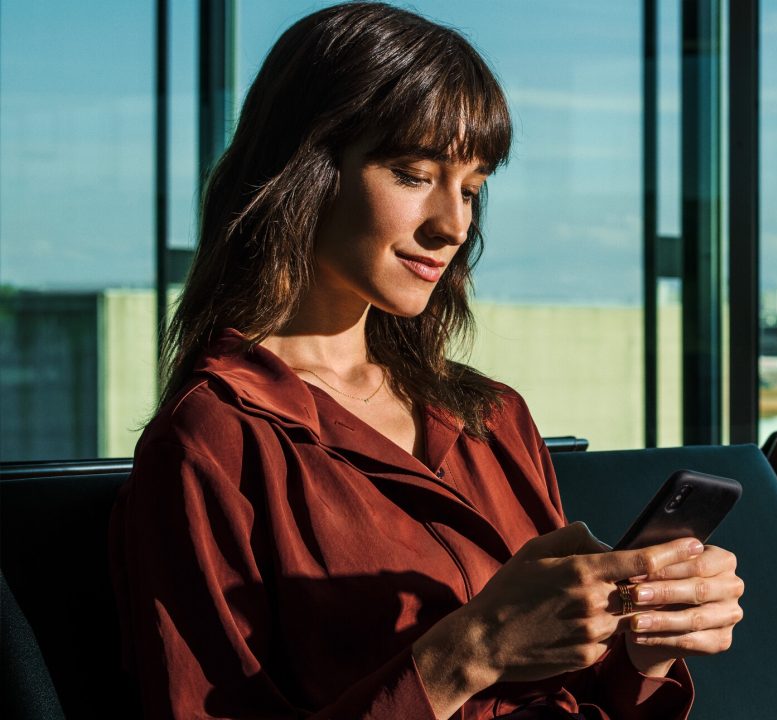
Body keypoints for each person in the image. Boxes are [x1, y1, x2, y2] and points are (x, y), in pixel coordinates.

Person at [108, 4, 744, 719]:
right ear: (306, 170)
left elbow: (573, 694)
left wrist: (646, 641)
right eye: (414, 175)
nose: (454, 225)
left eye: (471, 188)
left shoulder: (491, 417)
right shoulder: (214, 445)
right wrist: (465, 655)